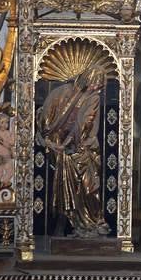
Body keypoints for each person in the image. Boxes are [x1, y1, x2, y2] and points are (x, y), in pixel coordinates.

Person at [37, 65, 108, 237]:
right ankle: (80, 226)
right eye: (94, 84)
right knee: (69, 192)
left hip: (85, 150)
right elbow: (51, 120)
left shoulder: (93, 99)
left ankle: (95, 222)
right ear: (88, 80)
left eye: (99, 86)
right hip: (67, 153)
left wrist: (68, 143)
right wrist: (59, 144)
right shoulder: (66, 94)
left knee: (89, 188)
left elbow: (85, 124)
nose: (96, 88)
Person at [0, 114, 15, 187]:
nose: (5, 125)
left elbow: (12, 142)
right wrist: (9, 145)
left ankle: (3, 182)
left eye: (6, 122)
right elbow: (4, 143)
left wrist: (13, 127)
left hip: (7, 156)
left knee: (11, 171)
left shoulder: (8, 133)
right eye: (2, 122)